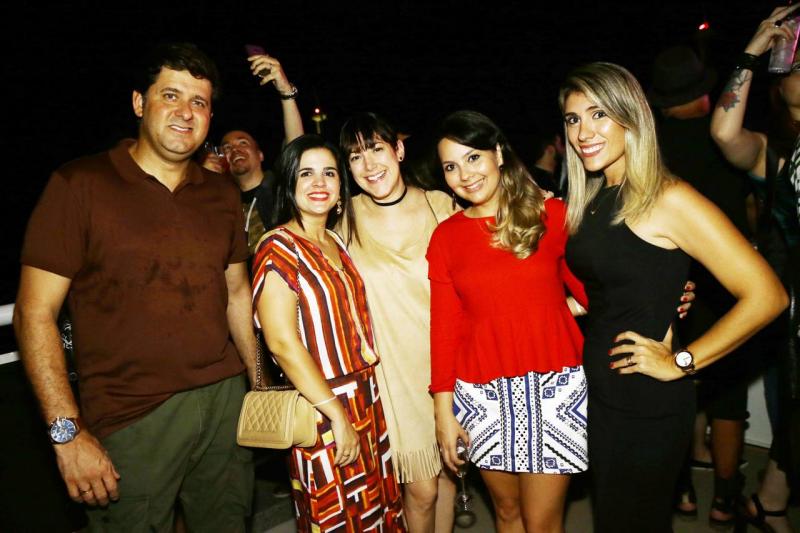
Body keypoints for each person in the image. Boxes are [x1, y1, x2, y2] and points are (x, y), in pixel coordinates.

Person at [13, 42, 257, 531]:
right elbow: (33, 314)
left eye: (199, 102)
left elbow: (236, 293)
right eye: (171, 95)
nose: (185, 112)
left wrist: (261, 385)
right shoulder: (80, 184)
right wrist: (67, 434)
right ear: (139, 103)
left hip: (224, 405)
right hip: (131, 417)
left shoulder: (221, 194)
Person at [559, 61, 787, 533]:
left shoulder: (668, 197)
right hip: (603, 389)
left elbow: (767, 295)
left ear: (632, 117)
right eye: (573, 118)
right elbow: (618, 279)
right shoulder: (598, 195)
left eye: (599, 114)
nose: (584, 132)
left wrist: (682, 362)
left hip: (647, 399)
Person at [428, 110, 590, 533]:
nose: (464, 175)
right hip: (481, 393)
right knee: (506, 513)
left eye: (473, 157)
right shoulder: (446, 237)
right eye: (450, 166)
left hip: (554, 387)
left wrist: (561, 309)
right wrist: (444, 412)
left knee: (541, 521)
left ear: (498, 153)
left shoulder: (551, 214)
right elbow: (444, 328)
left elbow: (596, 290)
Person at [252, 134, 406, 532]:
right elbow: (281, 342)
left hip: (366, 400)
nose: (319, 182)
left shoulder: (336, 239)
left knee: (378, 510)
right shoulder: (278, 247)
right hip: (322, 406)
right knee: (336, 516)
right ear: (289, 183)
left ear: (341, 186)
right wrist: (335, 414)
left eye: (329, 173)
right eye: (306, 173)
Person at [338, 112, 458, 533]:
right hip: (391, 376)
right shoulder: (344, 218)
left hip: (448, 366)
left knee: (448, 476)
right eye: (355, 156)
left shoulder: (441, 205)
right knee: (421, 490)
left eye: (376, 149)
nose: (369, 164)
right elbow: (299, 172)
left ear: (399, 150)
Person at [649, 44, 753, 526]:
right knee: (728, 395)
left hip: (675, 282)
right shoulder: (723, 140)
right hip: (728, 281)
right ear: (705, 93)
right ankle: (725, 497)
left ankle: (684, 491)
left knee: (681, 382)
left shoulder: (654, 148)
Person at [710, 5, 800, 531]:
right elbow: (724, 133)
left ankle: (770, 499)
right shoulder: (775, 151)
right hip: (791, 310)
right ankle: (769, 501)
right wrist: (752, 52)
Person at [222, 51, 305, 257]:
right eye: (227, 148)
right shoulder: (222, 202)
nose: (235, 150)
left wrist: (286, 92)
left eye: (243, 143)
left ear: (260, 154)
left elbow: (297, 148)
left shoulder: (281, 189)